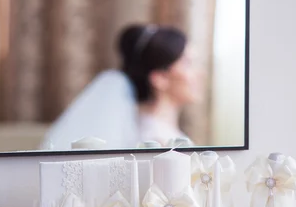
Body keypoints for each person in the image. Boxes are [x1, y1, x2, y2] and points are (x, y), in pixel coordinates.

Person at [42, 24, 201, 150]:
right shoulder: (155, 142)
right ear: (160, 78)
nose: (199, 73)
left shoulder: (159, 131)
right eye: (188, 64)